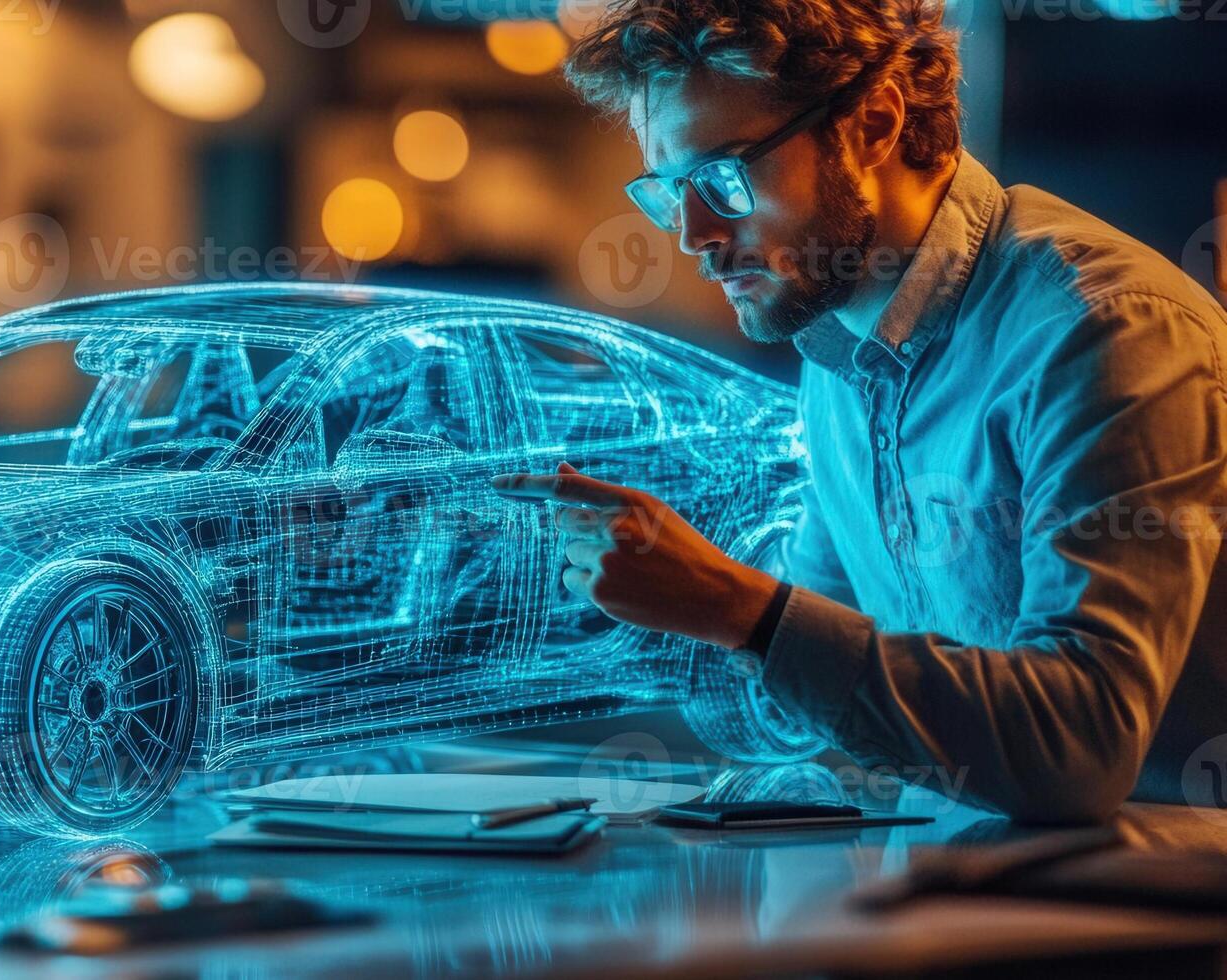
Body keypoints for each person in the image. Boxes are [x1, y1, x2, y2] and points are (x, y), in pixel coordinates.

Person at [493, 0, 1227, 822]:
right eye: (668, 194)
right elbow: (814, 689)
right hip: (964, 912)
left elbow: (1079, 746)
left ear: (874, 123)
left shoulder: (1104, 330)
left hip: (1155, 932)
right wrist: (558, 627)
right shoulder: (840, 353)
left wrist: (736, 606)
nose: (693, 233)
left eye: (723, 178)